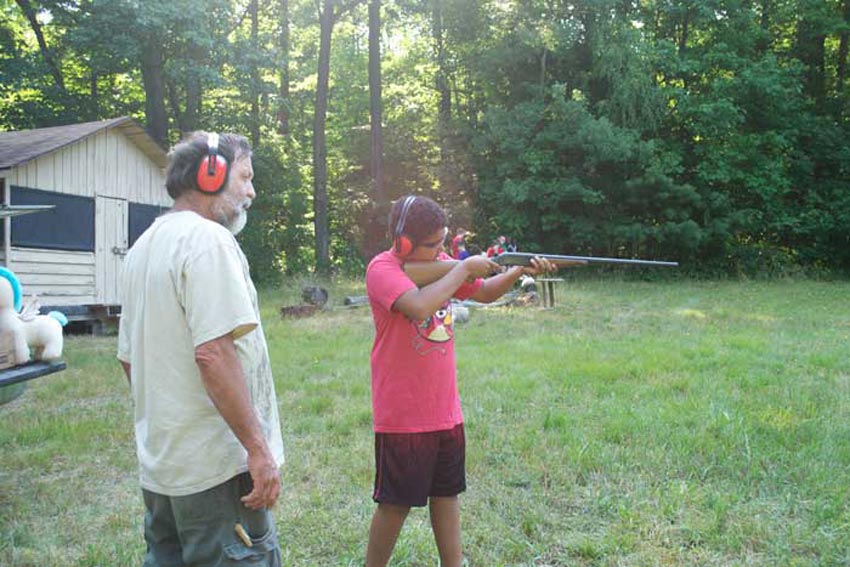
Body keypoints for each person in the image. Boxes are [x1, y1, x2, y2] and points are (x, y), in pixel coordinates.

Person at [117, 131, 284, 567]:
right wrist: (257, 449)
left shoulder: (141, 249)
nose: (251, 191)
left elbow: (129, 360)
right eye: (244, 177)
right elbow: (214, 354)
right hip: (216, 471)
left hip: (164, 470)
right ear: (211, 174)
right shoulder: (208, 240)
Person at [364, 195, 555, 567]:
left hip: (445, 410)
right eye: (432, 245)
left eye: (442, 242)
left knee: (447, 494)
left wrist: (517, 270)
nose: (440, 252)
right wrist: (464, 266)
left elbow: (484, 292)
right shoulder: (382, 269)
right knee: (396, 503)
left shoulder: (441, 265)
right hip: (404, 414)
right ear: (403, 242)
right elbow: (418, 306)